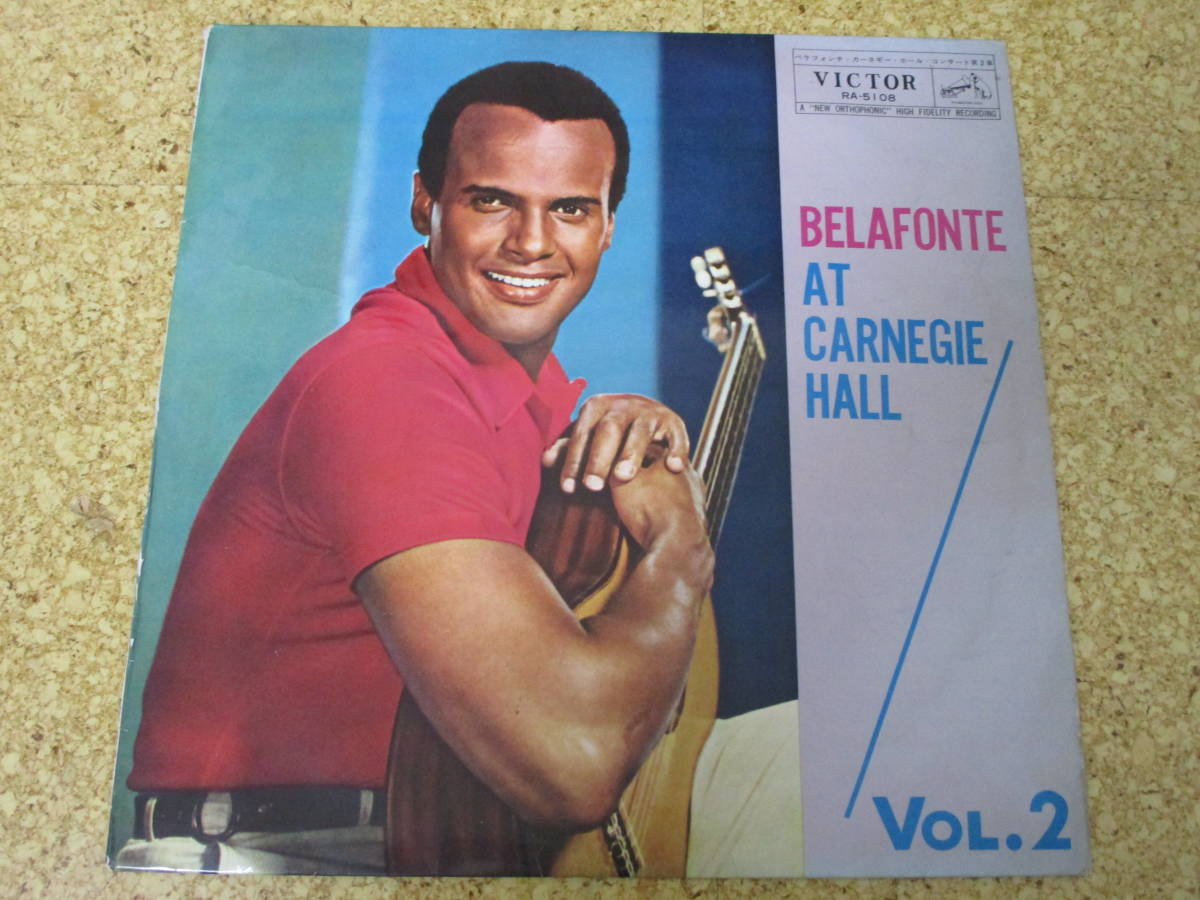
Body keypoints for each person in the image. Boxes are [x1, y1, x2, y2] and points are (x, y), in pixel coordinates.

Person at [117, 61, 801, 877]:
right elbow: (572, 764)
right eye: (492, 200)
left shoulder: (523, 401)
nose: (532, 243)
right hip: (288, 858)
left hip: (444, 838)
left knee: (808, 748)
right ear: (425, 204)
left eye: (571, 209)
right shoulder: (387, 383)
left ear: (607, 228)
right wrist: (681, 552)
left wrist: (639, 448)